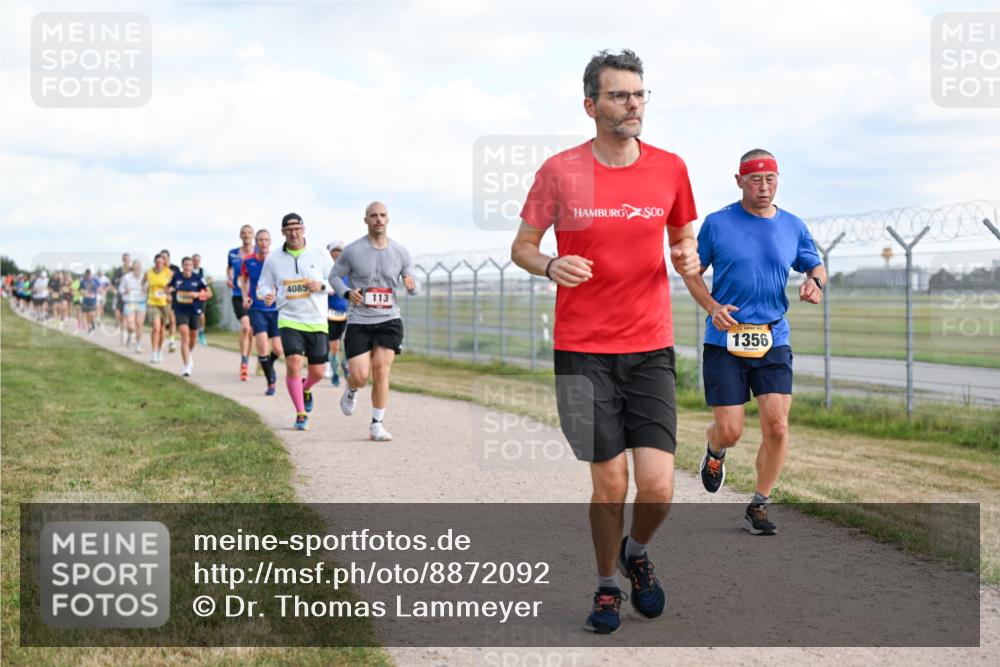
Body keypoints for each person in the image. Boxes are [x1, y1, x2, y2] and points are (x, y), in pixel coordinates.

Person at [510, 49, 700, 634]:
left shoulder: (670, 168)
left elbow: (683, 243)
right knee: (610, 480)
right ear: (591, 105)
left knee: (660, 488)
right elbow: (522, 246)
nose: (633, 104)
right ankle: (606, 585)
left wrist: (690, 261)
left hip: (650, 348)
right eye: (619, 95)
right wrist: (549, 266)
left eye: (640, 94)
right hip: (581, 350)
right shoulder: (559, 170)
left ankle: (636, 552)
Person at [685, 149, 825, 536]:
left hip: (773, 336)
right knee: (730, 430)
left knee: (777, 427)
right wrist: (712, 306)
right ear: (739, 181)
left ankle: (759, 505)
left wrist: (815, 281)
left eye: (770, 179)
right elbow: (692, 273)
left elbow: (814, 264)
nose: (763, 187)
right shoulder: (717, 224)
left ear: (778, 180)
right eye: (755, 179)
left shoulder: (792, 226)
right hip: (725, 338)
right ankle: (715, 450)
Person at [330, 202, 417, 442]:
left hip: (389, 319)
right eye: (373, 216)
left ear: (388, 219)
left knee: (381, 369)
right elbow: (334, 276)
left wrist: (412, 286)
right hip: (360, 320)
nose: (378, 219)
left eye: (383, 215)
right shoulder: (353, 251)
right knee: (360, 375)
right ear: (366, 220)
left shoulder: (400, 252)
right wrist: (347, 293)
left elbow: (413, 281)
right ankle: (351, 388)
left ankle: (377, 424)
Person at [256, 213, 333, 431]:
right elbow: (262, 286)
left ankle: (306, 388)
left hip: (317, 320)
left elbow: (336, 280)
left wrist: (321, 286)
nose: (293, 232)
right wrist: (266, 294)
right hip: (289, 319)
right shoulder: (273, 258)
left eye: (297, 228)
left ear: (304, 229)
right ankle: (300, 414)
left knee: (317, 371)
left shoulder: (319, 253)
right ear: (282, 232)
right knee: (293, 364)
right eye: (289, 229)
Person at [240, 230, 284, 395]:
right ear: (256, 242)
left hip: (276, 309)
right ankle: (270, 381)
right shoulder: (248, 260)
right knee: (263, 345)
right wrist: (246, 297)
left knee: (278, 349)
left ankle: (267, 363)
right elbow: (243, 281)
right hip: (257, 309)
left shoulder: (277, 260)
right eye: (260, 240)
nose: (263, 243)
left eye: (266, 239)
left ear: (270, 241)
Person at [169, 256, 211, 377]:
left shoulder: (198, 279)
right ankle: (187, 366)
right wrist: (169, 294)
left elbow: (209, 294)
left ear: (193, 266)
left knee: (193, 339)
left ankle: (188, 353)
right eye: (185, 265)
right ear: (182, 266)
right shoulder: (177, 277)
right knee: (184, 336)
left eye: (190, 265)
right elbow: (168, 287)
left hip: (194, 310)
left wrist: (197, 294)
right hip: (180, 310)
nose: (187, 267)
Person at [227, 226, 256, 380]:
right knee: (245, 326)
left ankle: (248, 360)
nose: (246, 235)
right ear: (240, 235)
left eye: (249, 233)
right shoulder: (233, 253)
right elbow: (230, 269)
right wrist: (229, 278)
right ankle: (244, 363)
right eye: (244, 233)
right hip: (238, 295)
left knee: (251, 331)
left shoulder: (259, 251)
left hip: (254, 296)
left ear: (253, 235)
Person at [325, 240, 350, 386]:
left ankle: (345, 365)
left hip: (347, 313)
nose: (337, 254)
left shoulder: (349, 270)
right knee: (334, 346)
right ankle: (335, 372)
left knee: (347, 344)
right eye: (335, 251)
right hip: (330, 314)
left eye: (340, 251)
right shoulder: (326, 270)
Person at [146, 254, 173, 363]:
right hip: (153, 303)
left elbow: (173, 286)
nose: (159, 264)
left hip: (165, 304)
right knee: (156, 328)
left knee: (162, 330)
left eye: (161, 262)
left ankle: (159, 351)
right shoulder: (148, 273)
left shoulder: (168, 272)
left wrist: (170, 293)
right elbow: (143, 284)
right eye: (157, 262)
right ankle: (154, 352)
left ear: (164, 263)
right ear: (154, 262)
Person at [120, 260, 147, 354]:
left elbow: (149, 289)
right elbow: (120, 289)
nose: (137, 269)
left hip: (141, 302)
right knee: (131, 325)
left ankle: (138, 345)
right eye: (136, 267)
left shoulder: (145, 277)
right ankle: (130, 334)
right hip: (129, 302)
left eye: (139, 267)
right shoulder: (126, 277)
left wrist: (146, 290)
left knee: (139, 323)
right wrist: (124, 290)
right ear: (133, 267)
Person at [160, 249, 181, 353]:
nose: (162, 260)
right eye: (161, 257)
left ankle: (172, 341)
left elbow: (177, 282)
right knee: (163, 322)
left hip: (173, 297)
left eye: (164, 257)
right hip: (161, 299)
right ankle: (162, 339)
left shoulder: (175, 268)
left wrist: (172, 292)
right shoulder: (159, 269)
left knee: (173, 320)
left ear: (168, 258)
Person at [111, 253, 131, 341]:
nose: (127, 261)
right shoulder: (118, 271)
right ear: (123, 260)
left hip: (129, 296)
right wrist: (114, 289)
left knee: (126, 316)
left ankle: (125, 334)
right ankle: (119, 324)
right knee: (118, 313)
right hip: (119, 295)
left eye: (128, 259)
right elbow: (112, 283)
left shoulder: (132, 270)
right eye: (125, 259)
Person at [192, 253, 208, 346]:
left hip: (201, 296)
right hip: (190, 296)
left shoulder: (203, 271)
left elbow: (210, 279)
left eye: (198, 260)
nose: (196, 262)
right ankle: (193, 333)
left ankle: (201, 332)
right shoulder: (189, 270)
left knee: (201, 315)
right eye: (195, 260)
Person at [79, 269, 100, 335]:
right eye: (87, 274)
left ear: (91, 274)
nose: (88, 275)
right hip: (85, 301)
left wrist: (98, 292)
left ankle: (92, 323)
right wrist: (83, 293)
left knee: (92, 314)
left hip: (93, 301)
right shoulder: (83, 282)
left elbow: (99, 288)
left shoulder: (95, 281)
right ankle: (90, 327)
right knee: (87, 315)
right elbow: (80, 290)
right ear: (86, 274)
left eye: (89, 274)